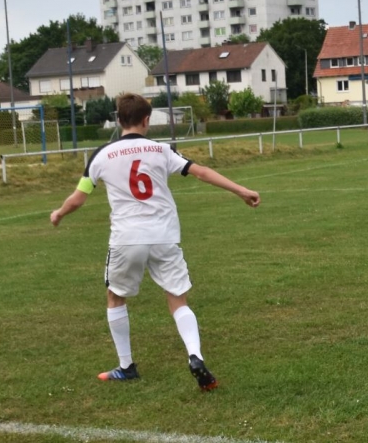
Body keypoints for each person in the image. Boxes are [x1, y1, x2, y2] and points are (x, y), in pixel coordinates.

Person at [49, 93, 261, 391]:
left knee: (115, 297)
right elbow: (201, 172)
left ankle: (126, 367)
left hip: (126, 239)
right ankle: (195, 356)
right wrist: (241, 190)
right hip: (164, 236)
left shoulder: (102, 155)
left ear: (119, 119)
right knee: (177, 299)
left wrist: (59, 213)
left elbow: (78, 198)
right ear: (146, 120)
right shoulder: (161, 150)